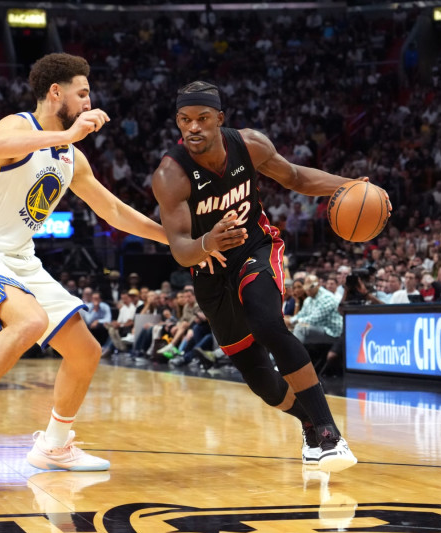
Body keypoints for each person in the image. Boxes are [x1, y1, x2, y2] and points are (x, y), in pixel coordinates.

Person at [0, 53, 172, 475]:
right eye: (83, 92)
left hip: (21, 258)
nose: (90, 102)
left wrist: (175, 240)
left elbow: (114, 211)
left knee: (85, 352)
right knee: (29, 322)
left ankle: (54, 446)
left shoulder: (72, 156)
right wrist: (66, 133)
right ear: (56, 92)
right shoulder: (19, 126)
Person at [150, 81, 389, 472]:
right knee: (261, 380)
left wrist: (347, 186)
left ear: (219, 119)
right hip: (208, 268)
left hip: (254, 247)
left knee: (268, 323)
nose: (193, 127)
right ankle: (309, 425)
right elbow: (179, 248)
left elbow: (295, 176)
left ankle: (330, 435)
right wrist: (208, 241)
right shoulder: (170, 175)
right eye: (185, 120)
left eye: (202, 118)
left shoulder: (250, 145)